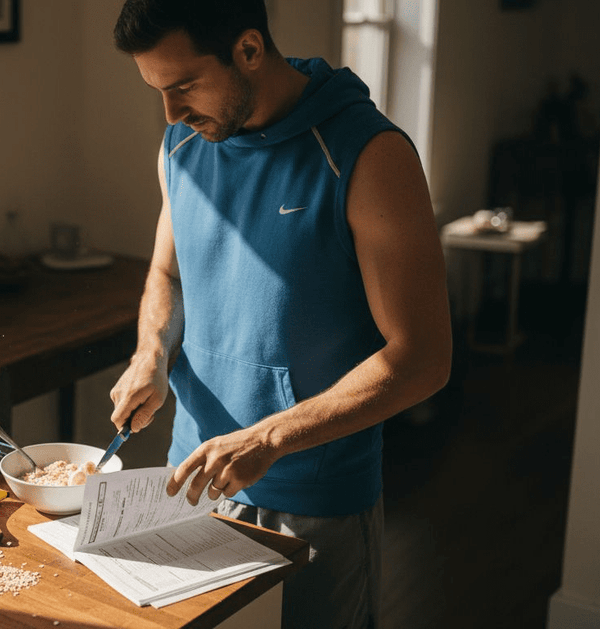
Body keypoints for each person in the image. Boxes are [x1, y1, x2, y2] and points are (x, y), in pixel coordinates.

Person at [108, 1, 452, 627]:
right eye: (158, 90)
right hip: (191, 484)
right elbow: (169, 271)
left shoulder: (368, 154)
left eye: (184, 85)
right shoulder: (182, 143)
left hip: (316, 501)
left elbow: (423, 358)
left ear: (247, 49)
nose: (171, 111)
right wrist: (150, 353)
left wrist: (269, 437)